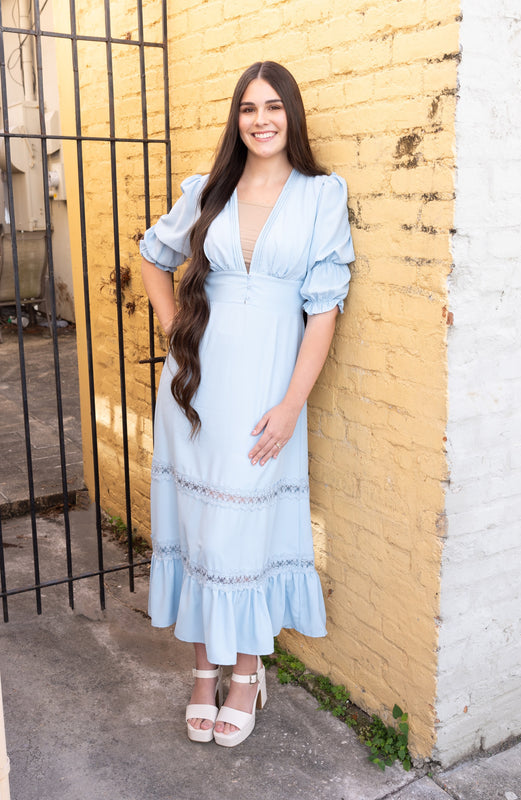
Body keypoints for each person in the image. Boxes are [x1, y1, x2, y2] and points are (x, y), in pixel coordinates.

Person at [140, 60, 354, 748]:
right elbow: (153, 256)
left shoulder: (320, 197)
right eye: (247, 108)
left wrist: (292, 405)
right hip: (194, 388)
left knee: (242, 535)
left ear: (291, 114)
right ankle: (204, 670)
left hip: (267, 393)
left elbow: (322, 312)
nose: (260, 119)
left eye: (272, 106)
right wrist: (175, 327)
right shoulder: (208, 190)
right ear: (236, 120)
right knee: (201, 529)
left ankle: (246, 672)